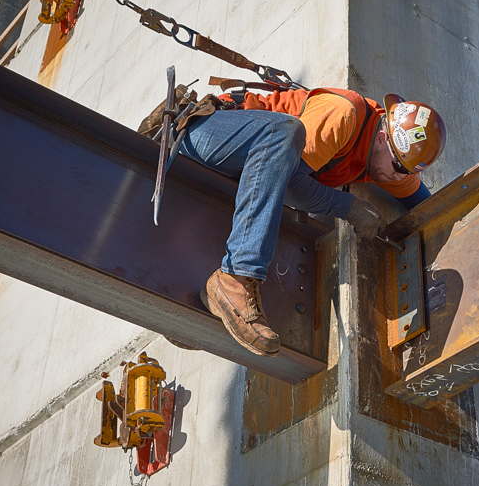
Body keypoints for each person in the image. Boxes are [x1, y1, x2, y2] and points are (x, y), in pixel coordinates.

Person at [166, 86, 446, 357]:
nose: (399, 178)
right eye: (398, 166)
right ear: (384, 137)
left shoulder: (390, 159)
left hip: (240, 168)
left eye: (406, 171)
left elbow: (425, 202)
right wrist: (348, 207)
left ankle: (206, 306)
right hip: (204, 135)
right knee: (284, 132)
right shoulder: (342, 116)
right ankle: (237, 276)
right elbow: (287, 182)